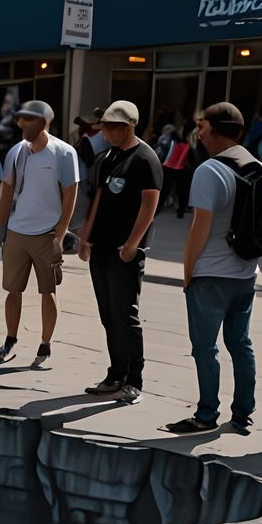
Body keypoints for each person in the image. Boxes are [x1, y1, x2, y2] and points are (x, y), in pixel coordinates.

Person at [165, 103, 262, 437]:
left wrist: (188, 271)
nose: (199, 133)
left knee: (205, 348)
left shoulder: (210, 170)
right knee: (240, 343)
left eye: (202, 126)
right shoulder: (256, 165)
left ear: (216, 130)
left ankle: (206, 415)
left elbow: (200, 227)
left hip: (211, 274)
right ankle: (243, 413)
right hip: (246, 272)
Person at [77, 100, 162, 403]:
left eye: (112, 127)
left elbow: (150, 203)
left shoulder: (145, 158)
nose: (106, 132)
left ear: (128, 127)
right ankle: (115, 374)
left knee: (126, 316)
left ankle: (134, 380)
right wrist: (85, 237)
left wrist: (132, 244)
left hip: (124, 250)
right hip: (101, 246)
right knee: (108, 316)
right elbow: (98, 198)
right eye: (105, 127)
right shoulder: (108, 157)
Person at [0, 99, 80, 366]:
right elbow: (7, 191)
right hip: (16, 232)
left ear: (43, 122)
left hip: (47, 234)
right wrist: (0, 228)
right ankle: (10, 340)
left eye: (27, 119)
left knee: (48, 291)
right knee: (12, 290)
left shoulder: (64, 153)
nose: (21, 123)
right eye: (20, 119)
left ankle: (45, 343)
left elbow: (71, 195)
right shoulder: (16, 151)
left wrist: (60, 234)